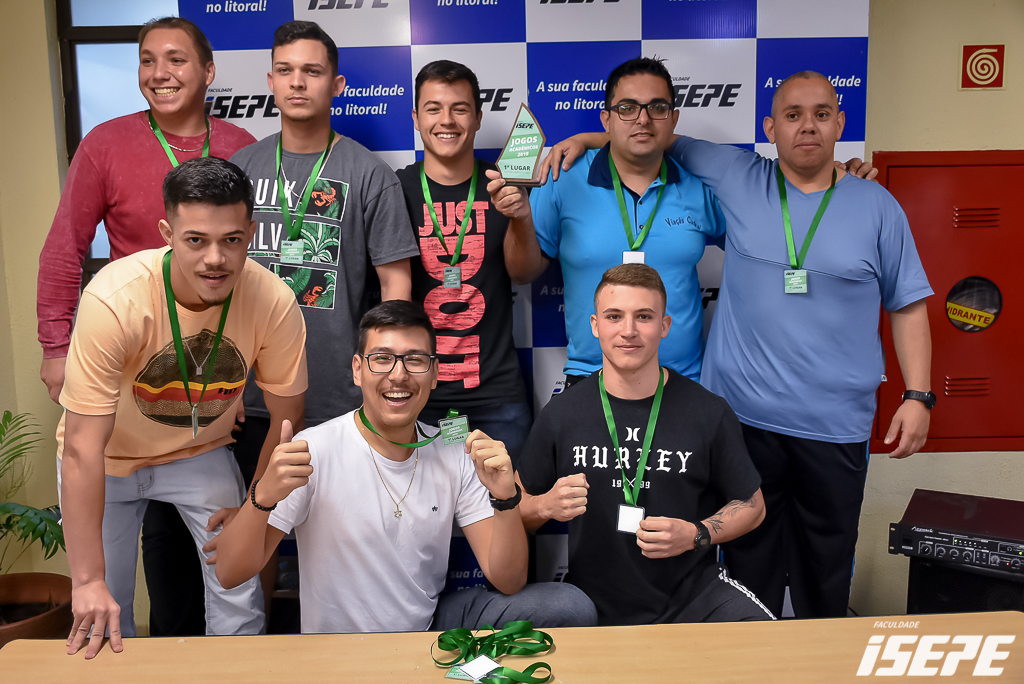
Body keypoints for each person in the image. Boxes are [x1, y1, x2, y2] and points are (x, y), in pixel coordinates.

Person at [541, 71, 934, 619]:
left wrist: (918, 395)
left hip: (836, 424)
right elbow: (650, 136)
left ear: (840, 123)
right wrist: (587, 139)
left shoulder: (877, 204)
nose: (808, 127)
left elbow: (908, 304)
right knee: (748, 570)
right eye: (793, 116)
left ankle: (821, 657)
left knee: (827, 568)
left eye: (822, 114)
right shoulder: (737, 174)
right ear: (770, 128)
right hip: (746, 418)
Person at [37, 16, 258, 637]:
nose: (160, 73)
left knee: (216, 550)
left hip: (208, 375)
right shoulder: (106, 144)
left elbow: (255, 271)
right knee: (147, 562)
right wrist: (56, 345)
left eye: (176, 60)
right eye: (147, 60)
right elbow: (64, 250)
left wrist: (234, 377)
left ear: (208, 71)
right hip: (126, 364)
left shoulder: (243, 146)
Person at [214, 300, 597, 633]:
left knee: (569, 605)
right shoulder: (314, 448)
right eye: (382, 359)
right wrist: (262, 496)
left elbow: (508, 580)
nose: (398, 375)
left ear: (434, 374)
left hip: (426, 634)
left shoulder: (454, 449)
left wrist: (505, 498)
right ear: (358, 369)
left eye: (414, 360)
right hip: (341, 653)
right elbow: (229, 574)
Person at [58, 157, 308, 659]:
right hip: (106, 459)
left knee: (238, 590)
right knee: (103, 606)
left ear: (251, 234)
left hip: (200, 451)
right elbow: (83, 447)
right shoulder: (115, 299)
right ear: (167, 233)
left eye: (231, 240)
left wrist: (252, 505)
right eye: (196, 240)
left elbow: (287, 419)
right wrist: (86, 580)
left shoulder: (273, 300)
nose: (215, 258)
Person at [517, 264, 773, 625]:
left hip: (696, 598)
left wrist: (696, 534)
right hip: (592, 605)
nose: (628, 330)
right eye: (614, 316)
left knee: (769, 645)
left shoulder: (708, 411)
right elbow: (514, 509)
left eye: (644, 316)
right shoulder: (562, 413)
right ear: (595, 325)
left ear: (664, 325)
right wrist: (544, 506)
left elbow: (753, 506)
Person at [230, 20, 417, 475]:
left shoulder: (370, 173)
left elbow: (395, 287)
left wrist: (382, 378)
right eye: (285, 70)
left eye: (311, 71)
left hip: (339, 399)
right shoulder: (240, 170)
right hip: (249, 399)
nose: (297, 82)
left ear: (336, 85)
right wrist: (224, 384)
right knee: (254, 516)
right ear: (271, 81)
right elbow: (215, 283)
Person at [492, 57, 724, 390]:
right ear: (607, 119)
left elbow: (749, 249)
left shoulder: (698, 183)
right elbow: (521, 272)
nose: (643, 119)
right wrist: (520, 219)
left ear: (673, 119)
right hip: (591, 379)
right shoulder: (563, 177)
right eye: (627, 108)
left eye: (657, 107)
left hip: (682, 381)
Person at [395, 60, 530, 465]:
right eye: (433, 109)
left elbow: (524, 273)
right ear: (416, 118)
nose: (447, 120)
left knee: (509, 502)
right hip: (417, 395)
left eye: (459, 108)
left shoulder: (502, 186)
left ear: (478, 117)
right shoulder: (393, 190)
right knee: (415, 507)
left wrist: (521, 217)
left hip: (497, 396)